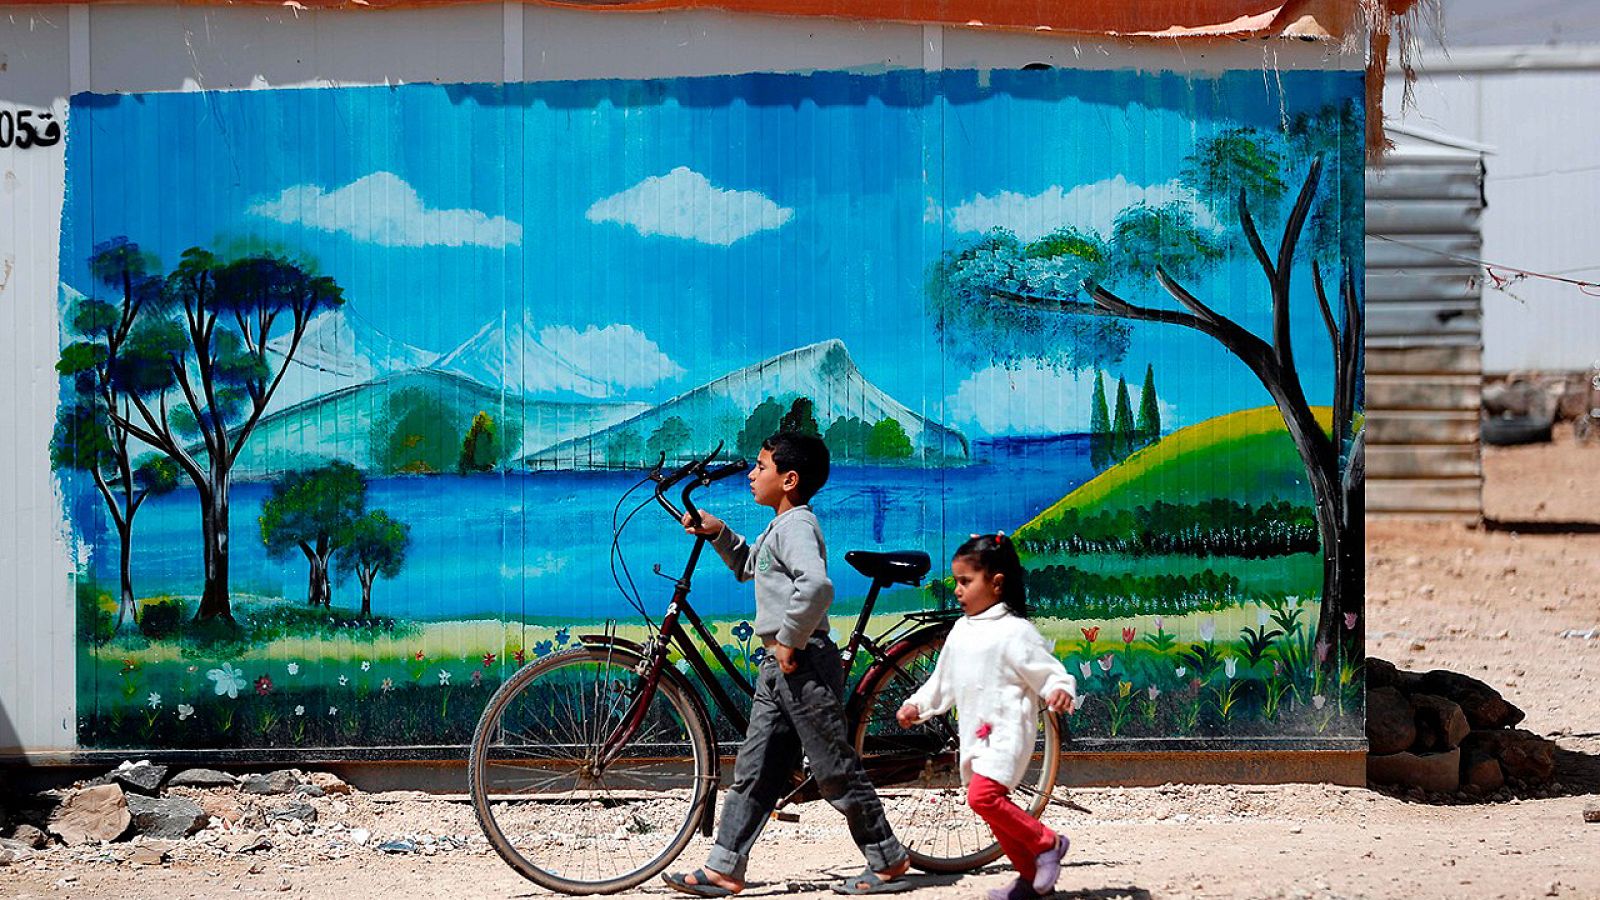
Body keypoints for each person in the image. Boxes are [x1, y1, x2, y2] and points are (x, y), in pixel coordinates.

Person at [664, 432, 913, 897]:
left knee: (833, 767)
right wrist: (718, 531)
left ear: (789, 479)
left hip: (802, 662)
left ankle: (887, 857)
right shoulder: (779, 526)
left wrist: (789, 639)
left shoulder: (797, 527)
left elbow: (816, 586)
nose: (752, 474)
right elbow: (749, 565)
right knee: (755, 768)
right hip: (778, 665)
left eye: (761, 467)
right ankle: (725, 866)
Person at [896, 533, 1078, 900]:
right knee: (992, 810)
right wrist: (918, 706)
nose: (958, 590)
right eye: (956, 581)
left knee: (982, 797)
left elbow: (1049, 671)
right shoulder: (961, 631)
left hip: (1007, 734)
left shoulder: (1015, 631)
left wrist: (1059, 688)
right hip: (975, 737)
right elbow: (942, 682)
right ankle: (1030, 879)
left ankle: (1047, 843)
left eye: (966, 581)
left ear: (996, 583)